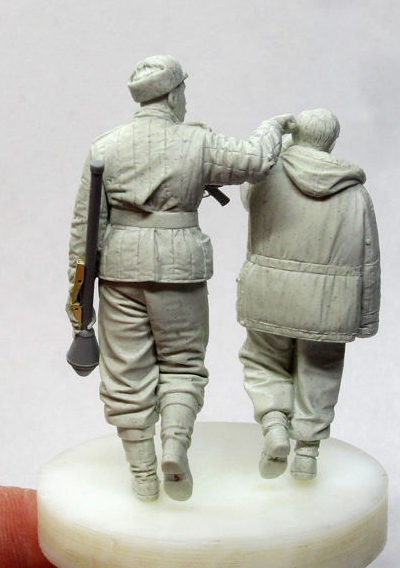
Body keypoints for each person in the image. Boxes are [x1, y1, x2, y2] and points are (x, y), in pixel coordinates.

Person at [66, 55, 295, 502]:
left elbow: (84, 229)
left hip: (120, 272)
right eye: (183, 91)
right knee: (183, 365)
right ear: (172, 95)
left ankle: (143, 475)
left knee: (126, 375)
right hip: (179, 268)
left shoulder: (104, 147)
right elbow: (257, 161)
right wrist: (273, 126)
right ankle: (174, 446)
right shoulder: (198, 143)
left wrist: (76, 303)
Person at [237, 109, 380, 480]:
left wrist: (280, 143)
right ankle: (307, 454)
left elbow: (246, 190)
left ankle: (274, 426)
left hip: (269, 293)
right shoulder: (356, 193)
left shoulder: (267, 177)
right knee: (320, 372)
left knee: (264, 362)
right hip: (330, 305)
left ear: (296, 136)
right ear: (332, 142)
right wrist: (365, 319)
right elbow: (368, 259)